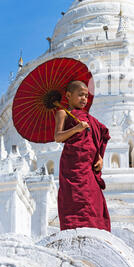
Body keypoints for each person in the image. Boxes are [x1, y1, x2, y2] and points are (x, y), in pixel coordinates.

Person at [54, 80, 111, 232]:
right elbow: (58, 137)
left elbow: (99, 136)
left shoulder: (89, 118)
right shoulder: (62, 113)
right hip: (73, 163)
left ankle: (96, 232)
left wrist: (99, 157)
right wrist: (77, 128)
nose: (84, 99)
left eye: (86, 96)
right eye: (80, 95)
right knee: (75, 198)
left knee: (93, 199)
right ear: (68, 95)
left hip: (88, 165)